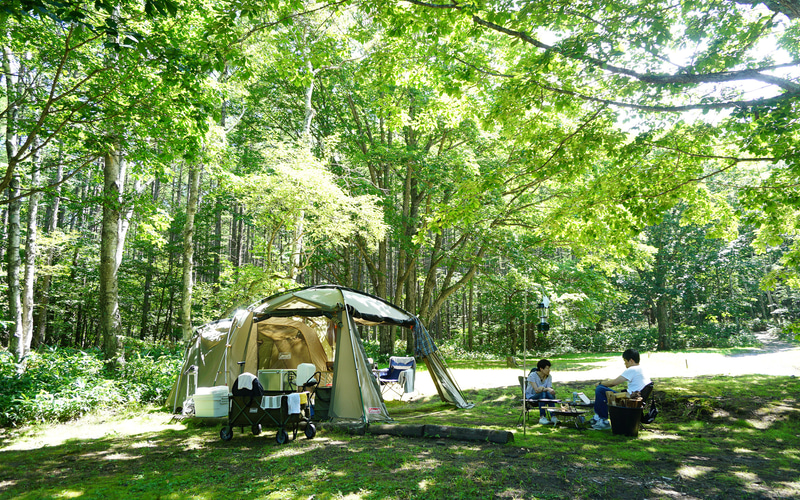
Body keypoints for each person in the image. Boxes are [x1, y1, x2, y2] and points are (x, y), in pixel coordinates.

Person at [591, 348, 651, 430]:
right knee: (603, 390)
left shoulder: (632, 369)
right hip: (635, 398)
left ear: (631, 361)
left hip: (628, 400)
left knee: (600, 389)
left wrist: (600, 383)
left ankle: (602, 420)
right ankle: (598, 417)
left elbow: (614, 383)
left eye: (625, 361)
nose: (625, 364)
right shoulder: (641, 369)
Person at [526, 359, 558, 425]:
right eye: (547, 368)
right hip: (532, 396)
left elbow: (549, 388)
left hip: (545, 396)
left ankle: (553, 416)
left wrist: (549, 390)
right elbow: (537, 390)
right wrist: (547, 389)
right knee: (543, 393)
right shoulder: (532, 375)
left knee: (546, 393)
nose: (549, 370)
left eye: (549, 368)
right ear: (541, 369)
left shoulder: (549, 376)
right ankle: (542, 417)